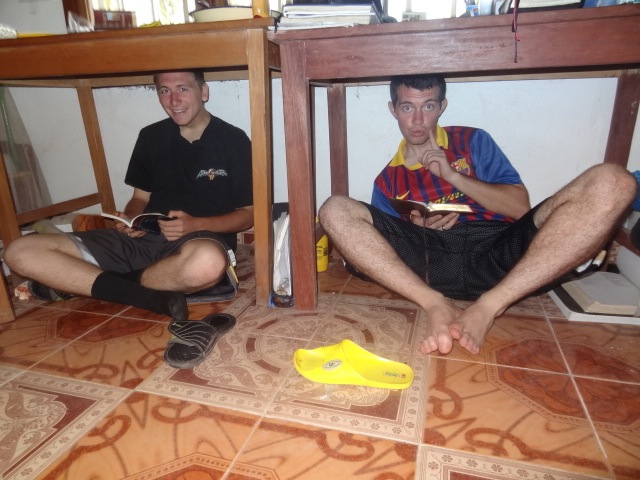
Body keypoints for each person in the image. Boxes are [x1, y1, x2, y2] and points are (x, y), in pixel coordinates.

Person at [319, 74, 636, 356]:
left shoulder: (472, 141)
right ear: (393, 109)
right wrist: (418, 226)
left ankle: (489, 307)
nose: (417, 119)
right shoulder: (387, 180)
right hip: (430, 261)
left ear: (442, 106)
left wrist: (452, 176)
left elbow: (519, 207)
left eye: (428, 106)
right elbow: (383, 251)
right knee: (334, 209)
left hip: (501, 253)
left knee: (614, 181)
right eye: (406, 107)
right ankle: (435, 304)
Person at [4, 69, 253, 328]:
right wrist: (133, 218)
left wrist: (196, 225)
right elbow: (139, 198)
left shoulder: (233, 140)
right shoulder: (151, 136)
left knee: (207, 263)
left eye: (183, 88)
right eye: (165, 91)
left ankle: (91, 283)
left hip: (197, 241)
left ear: (203, 91)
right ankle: (137, 292)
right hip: (143, 239)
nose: (174, 100)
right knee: (20, 251)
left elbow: (248, 215)